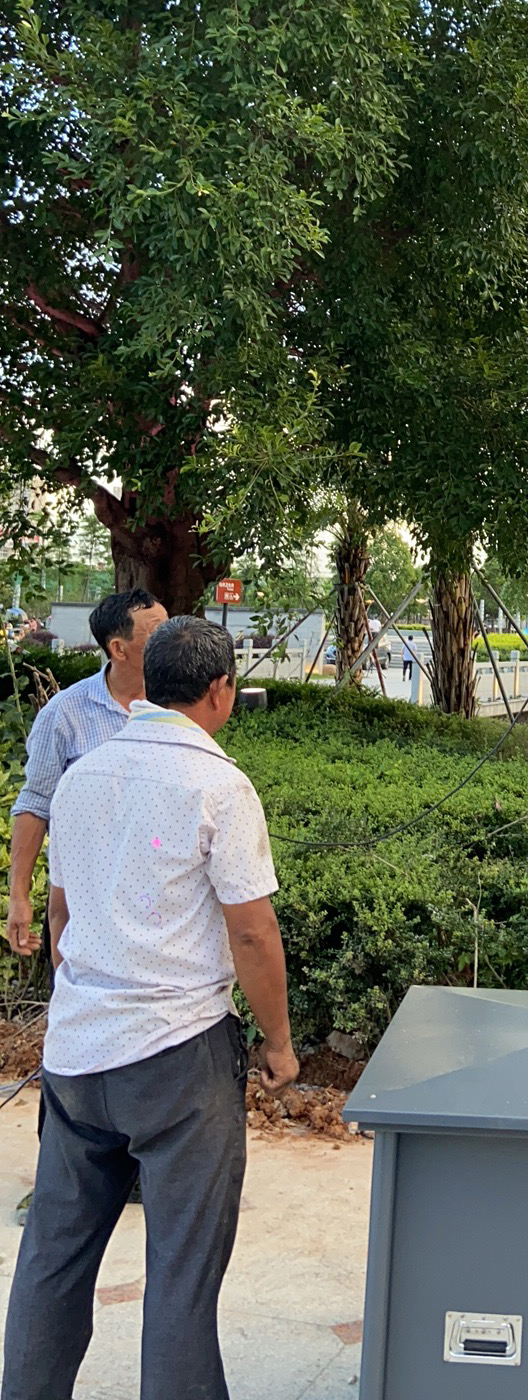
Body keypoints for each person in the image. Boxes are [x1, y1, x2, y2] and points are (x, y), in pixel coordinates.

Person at [1, 616, 298, 1400]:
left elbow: (61, 918)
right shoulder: (219, 787)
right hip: (178, 1059)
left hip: (75, 1057)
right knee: (181, 1280)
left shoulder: (85, 775)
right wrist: (279, 1043)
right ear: (220, 691)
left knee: (52, 1264)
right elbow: (253, 934)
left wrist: (92, 993)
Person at [6, 589, 168, 959]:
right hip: (82, 905)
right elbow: (35, 805)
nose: (169, 640)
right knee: (80, 1007)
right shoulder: (65, 715)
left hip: (161, 905)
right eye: (156, 633)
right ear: (118, 648)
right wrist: (19, 896)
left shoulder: (177, 707)